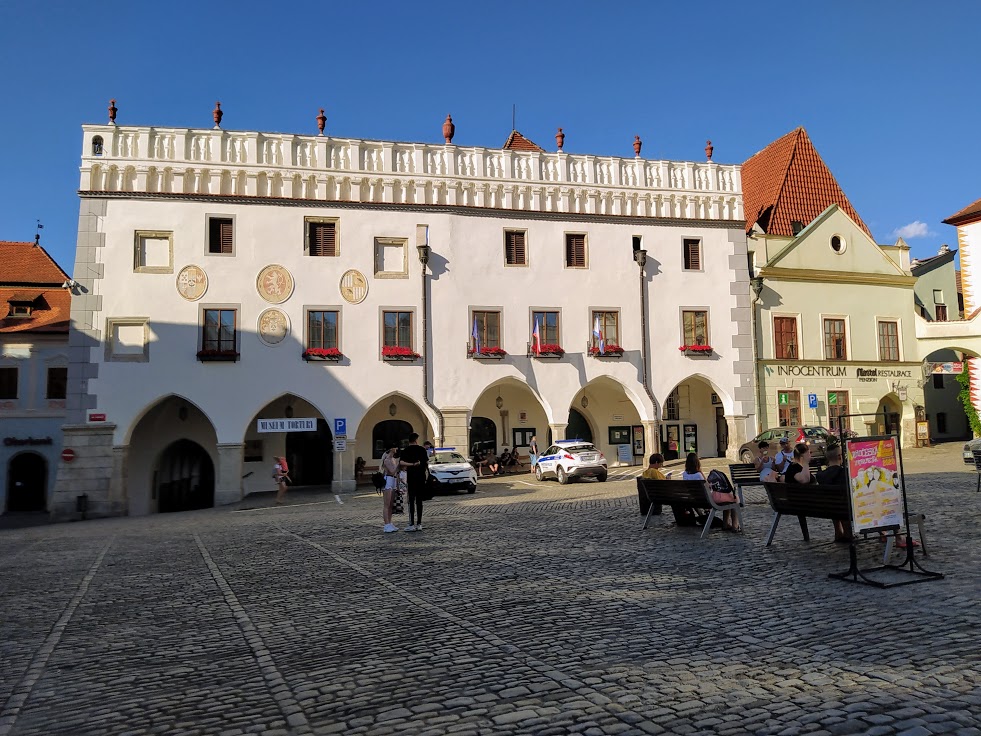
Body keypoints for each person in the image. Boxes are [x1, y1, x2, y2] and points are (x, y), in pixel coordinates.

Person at [815, 445, 851, 542]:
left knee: (835, 502)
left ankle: (838, 532)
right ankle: (848, 533)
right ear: (840, 456)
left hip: (829, 508)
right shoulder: (845, 473)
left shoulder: (820, 475)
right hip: (846, 509)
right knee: (844, 502)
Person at [398, 432, 429, 532]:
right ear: (416, 440)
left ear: (409, 441)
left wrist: (411, 464)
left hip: (411, 477)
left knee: (411, 500)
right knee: (419, 501)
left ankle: (411, 523)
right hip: (421, 477)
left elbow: (401, 462)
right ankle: (419, 523)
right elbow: (426, 463)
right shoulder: (422, 450)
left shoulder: (406, 450)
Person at [381, 442, 404, 533]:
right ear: (391, 449)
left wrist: (398, 486)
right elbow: (392, 471)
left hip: (393, 480)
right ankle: (386, 524)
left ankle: (390, 523)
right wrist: (399, 465)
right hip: (388, 480)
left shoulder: (393, 459)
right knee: (386, 504)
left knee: (391, 504)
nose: (396, 449)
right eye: (395, 447)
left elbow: (396, 474)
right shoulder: (387, 460)